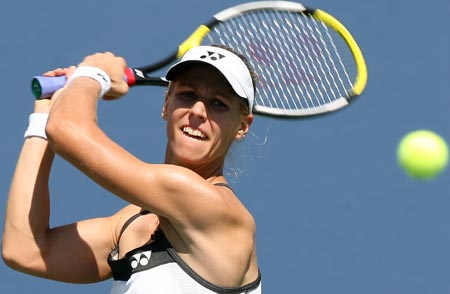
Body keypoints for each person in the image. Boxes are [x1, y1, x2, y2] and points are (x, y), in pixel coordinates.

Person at [2, 45, 262, 293]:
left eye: (218, 104)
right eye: (188, 95)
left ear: (242, 126)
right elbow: (25, 250)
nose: (198, 111)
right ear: (166, 104)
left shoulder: (215, 208)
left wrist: (94, 73)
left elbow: (67, 129)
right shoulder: (129, 224)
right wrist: (43, 117)